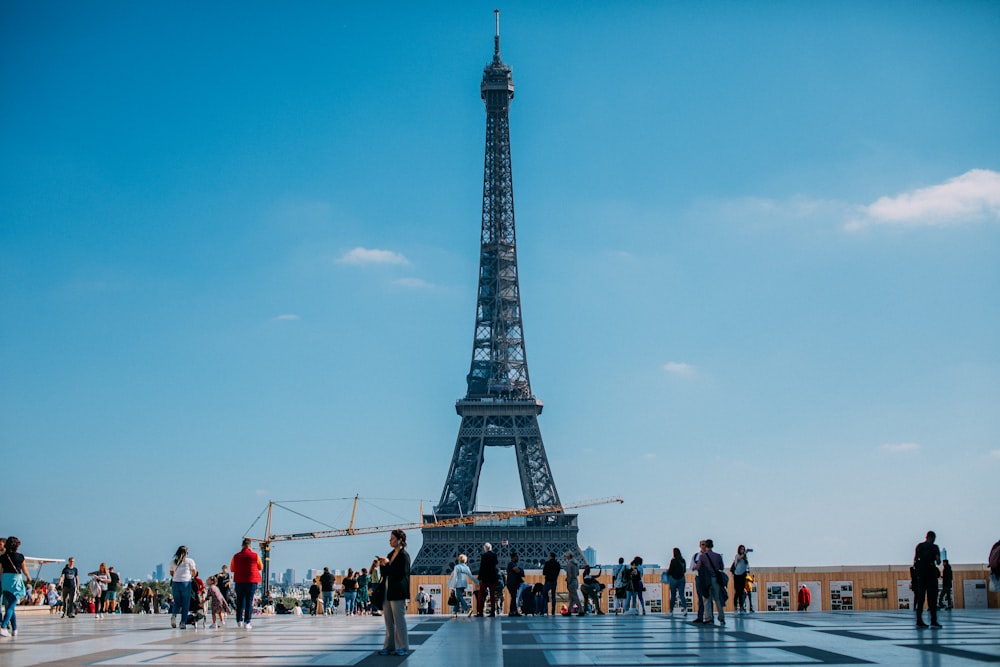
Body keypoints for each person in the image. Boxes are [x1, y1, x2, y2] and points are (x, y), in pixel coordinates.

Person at [377, 528, 410, 657]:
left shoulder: (404, 556)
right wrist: (382, 564)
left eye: (392, 538)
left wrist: (388, 565)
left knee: (399, 619)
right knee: (388, 620)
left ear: (399, 540)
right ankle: (389, 646)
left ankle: (402, 646)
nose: (390, 541)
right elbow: (386, 574)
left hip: (397, 591)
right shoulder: (390, 555)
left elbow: (401, 574)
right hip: (387, 590)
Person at [1, 536, 31, 637]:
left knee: (10, 605)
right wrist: (28, 577)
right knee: (11, 605)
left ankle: (14, 629)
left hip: (5, 580)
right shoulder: (20, 557)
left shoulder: (3, 557)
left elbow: (0, 571)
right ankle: (3, 626)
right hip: (15, 581)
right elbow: (24, 569)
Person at [230, 537, 263, 629]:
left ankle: (239, 620)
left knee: (240, 601)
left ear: (242, 546)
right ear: (250, 546)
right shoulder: (255, 555)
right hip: (251, 581)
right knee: (249, 601)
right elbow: (261, 567)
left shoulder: (236, 556)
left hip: (239, 580)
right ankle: (247, 622)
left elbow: (232, 568)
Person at [913, 530, 942, 628]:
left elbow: (915, 560)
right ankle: (933, 621)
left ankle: (919, 621)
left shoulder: (919, 546)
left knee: (920, 598)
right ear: (933, 538)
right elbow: (938, 561)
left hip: (921, 575)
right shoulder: (934, 547)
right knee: (932, 598)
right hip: (931, 575)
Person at [694, 539, 725, 625]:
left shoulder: (702, 556)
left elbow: (698, 567)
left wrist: (694, 568)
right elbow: (722, 567)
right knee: (718, 599)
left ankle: (708, 618)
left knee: (706, 599)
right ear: (712, 546)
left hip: (706, 580)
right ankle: (721, 617)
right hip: (715, 579)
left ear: (706, 546)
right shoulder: (718, 556)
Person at [169, 546, 197, 629]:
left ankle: (174, 615)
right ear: (186, 553)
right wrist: (191, 576)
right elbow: (194, 572)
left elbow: (171, 573)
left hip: (175, 583)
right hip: (186, 583)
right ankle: (183, 622)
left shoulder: (173, 562)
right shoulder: (189, 561)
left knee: (177, 602)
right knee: (185, 603)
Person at [476, 543, 499, 617]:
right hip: (493, 578)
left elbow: (482, 567)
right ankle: (493, 612)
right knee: (492, 595)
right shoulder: (494, 555)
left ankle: (480, 612)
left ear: (485, 548)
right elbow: (496, 564)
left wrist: (479, 578)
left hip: (485, 578)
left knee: (481, 595)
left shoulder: (484, 555)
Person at [666, 547, 687, 615]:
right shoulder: (683, 560)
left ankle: (671, 610)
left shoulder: (673, 561)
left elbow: (670, 571)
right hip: (682, 579)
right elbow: (684, 570)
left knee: (673, 596)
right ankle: (685, 609)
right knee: (682, 594)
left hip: (674, 580)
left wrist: (667, 573)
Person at [731, 546, 750, 613]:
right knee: (737, 591)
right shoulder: (737, 556)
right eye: (742, 549)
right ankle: (736, 607)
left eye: (744, 549)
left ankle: (741, 607)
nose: (743, 550)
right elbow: (739, 558)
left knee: (741, 591)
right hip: (737, 575)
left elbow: (747, 565)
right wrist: (744, 553)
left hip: (743, 575)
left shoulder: (745, 557)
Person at [506, 552, 525, 616]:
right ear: (513, 557)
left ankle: (513, 611)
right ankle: (512, 611)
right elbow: (517, 570)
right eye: (517, 556)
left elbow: (518, 570)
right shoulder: (511, 564)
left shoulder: (513, 564)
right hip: (512, 583)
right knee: (514, 597)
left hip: (513, 583)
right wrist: (520, 570)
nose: (518, 557)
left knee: (514, 597)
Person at [564, 552, 583, 616]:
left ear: (569, 556)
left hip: (571, 582)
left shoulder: (569, 563)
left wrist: (568, 582)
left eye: (566, 556)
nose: (566, 557)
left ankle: (581, 610)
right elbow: (577, 573)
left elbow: (569, 574)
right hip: (575, 580)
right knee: (571, 598)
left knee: (575, 597)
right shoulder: (576, 563)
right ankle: (569, 611)